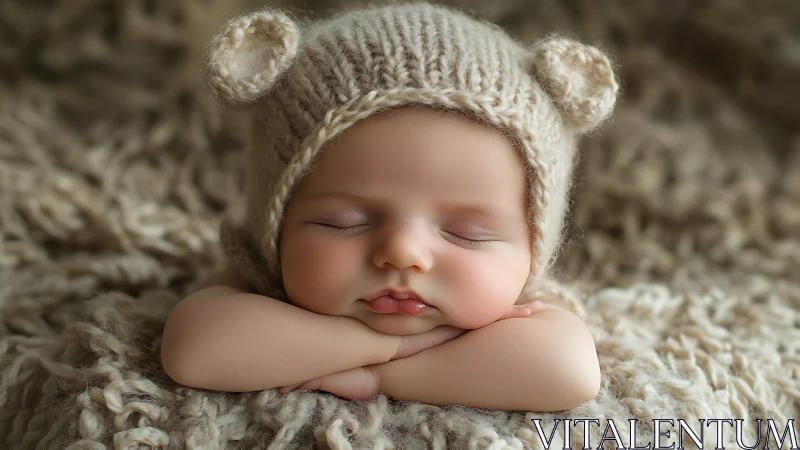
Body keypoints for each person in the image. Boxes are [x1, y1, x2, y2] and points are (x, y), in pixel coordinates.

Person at [160, 3, 618, 412]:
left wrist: (379, 377)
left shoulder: (524, 311)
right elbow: (195, 349)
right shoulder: (260, 283)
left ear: (532, 245)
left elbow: (567, 371)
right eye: (343, 223)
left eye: (468, 234)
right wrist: (391, 346)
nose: (403, 253)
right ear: (275, 225)